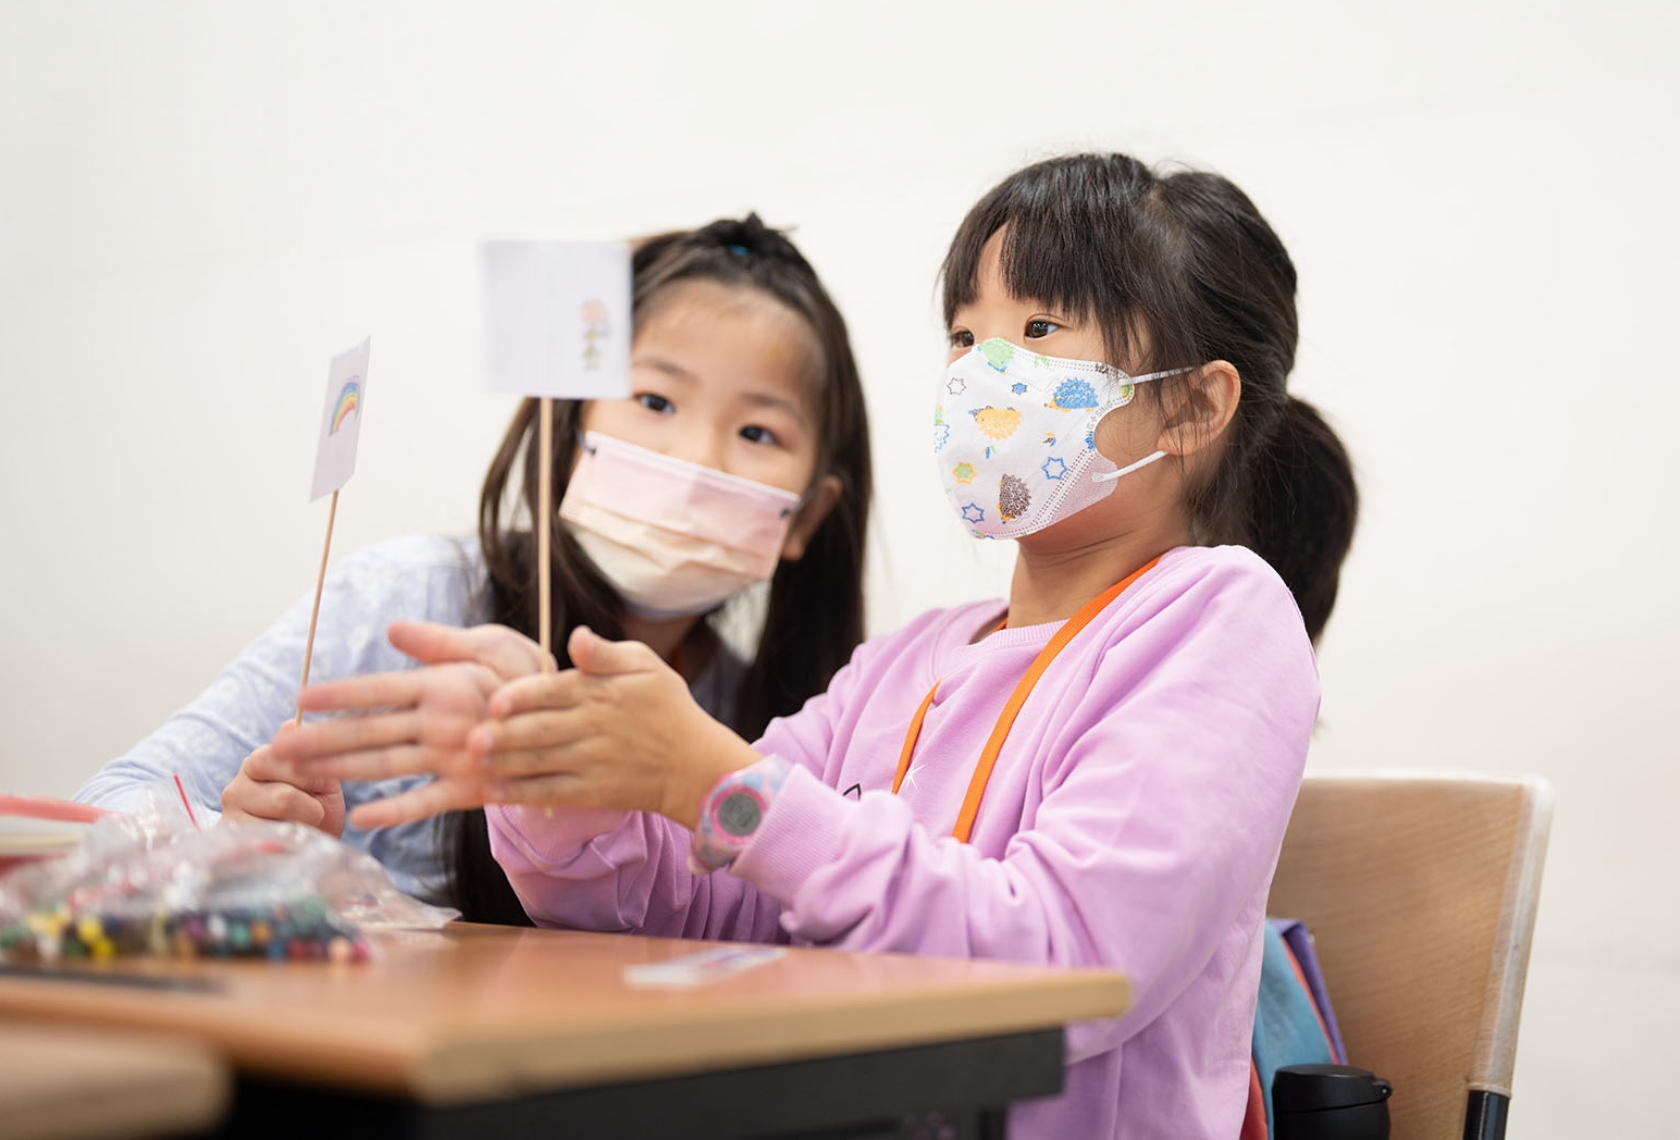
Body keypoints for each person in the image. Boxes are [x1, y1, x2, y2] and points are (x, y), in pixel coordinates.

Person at [282, 153, 1358, 1137]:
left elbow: (1063, 965)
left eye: (1038, 332)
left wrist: (719, 780)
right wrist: (560, 777)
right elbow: (705, 900)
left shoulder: (1220, 617)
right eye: (965, 337)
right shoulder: (905, 662)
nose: (983, 373)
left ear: (1192, 407)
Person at [74, 214, 874, 924]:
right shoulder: (406, 603)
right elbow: (104, 807)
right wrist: (233, 847)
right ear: (572, 427)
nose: (695, 461)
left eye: (758, 433)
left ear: (807, 515)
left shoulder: (776, 727)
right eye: (655, 401)